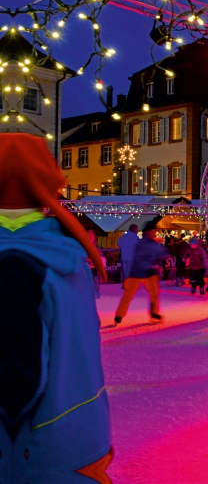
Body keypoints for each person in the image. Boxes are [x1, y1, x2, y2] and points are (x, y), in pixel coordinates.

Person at [0, 134, 113, 482]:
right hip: (76, 441)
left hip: (35, 459)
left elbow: (15, 388)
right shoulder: (61, 248)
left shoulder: (15, 260)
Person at [114, 217, 171, 324]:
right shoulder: (144, 244)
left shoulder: (150, 243)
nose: (155, 233)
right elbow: (149, 255)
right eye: (154, 231)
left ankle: (154, 313)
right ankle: (119, 315)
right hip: (139, 272)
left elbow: (161, 253)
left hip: (147, 272)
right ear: (149, 231)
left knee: (153, 294)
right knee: (129, 295)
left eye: (156, 231)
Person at [87, 229, 103, 298]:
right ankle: (95, 291)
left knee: (92, 278)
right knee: (94, 278)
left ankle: (94, 291)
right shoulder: (94, 245)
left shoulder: (91, 245)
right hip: (91, 264)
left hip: (90, 264)